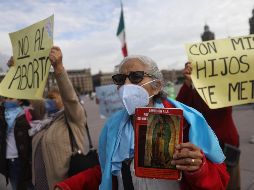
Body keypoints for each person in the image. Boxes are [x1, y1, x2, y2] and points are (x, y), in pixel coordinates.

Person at [98, 55, 229, 190]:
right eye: (120, 79)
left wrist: (199, 168)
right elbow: (106, 171)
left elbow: (219, 179)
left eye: (135, 77)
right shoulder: (112, 127)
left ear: (157, 86)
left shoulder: (186, 122)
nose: (126, 85)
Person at [29, 46, 88, 190]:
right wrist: (17, 70)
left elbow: (70, 99)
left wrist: (59, 69)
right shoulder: (45, 121)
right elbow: (33, 96)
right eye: (49, 98)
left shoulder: (74, 116)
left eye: (54, 98)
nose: (51, 101)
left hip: (63, 186)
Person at [177, 62, 240, 190]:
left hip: (227, 147)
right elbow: (178, 110)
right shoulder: (192, 91)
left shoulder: (225, 89)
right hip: (204, 150)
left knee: (232, 185)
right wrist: (188, 83)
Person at [0, 97, 34, 190]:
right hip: (10, 161)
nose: (7, 101)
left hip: (25, 160)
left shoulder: (27, 114)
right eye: (6, 99)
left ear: (20, 101)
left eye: (11, 99)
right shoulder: (3, 115)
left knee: (30, 186)